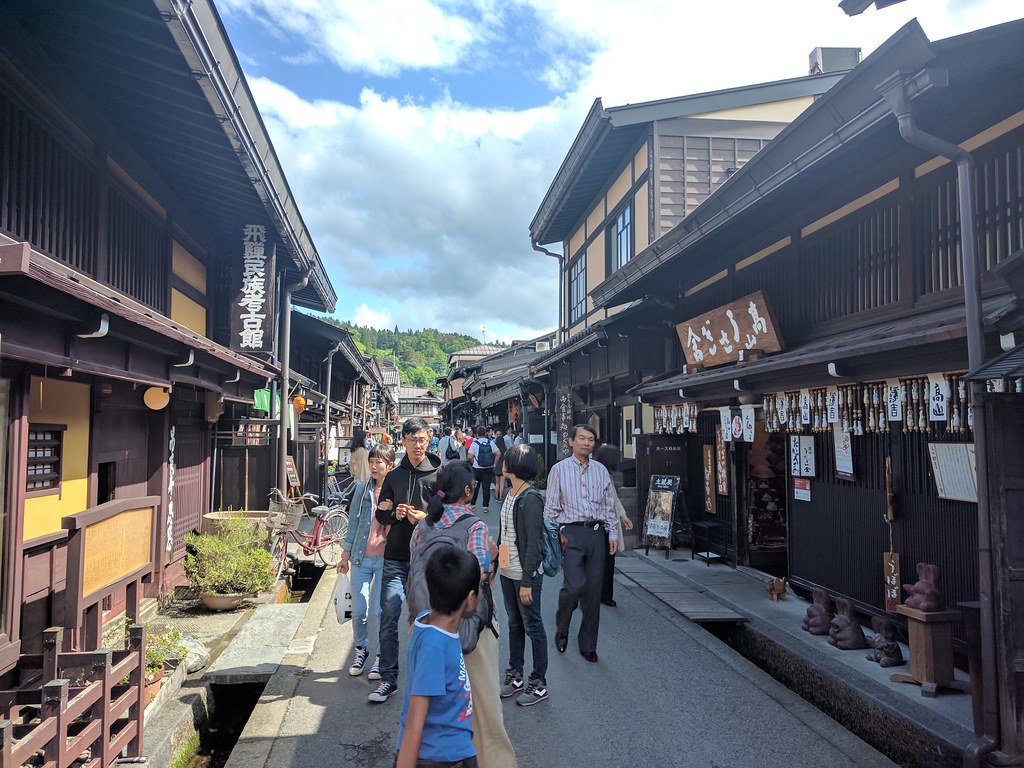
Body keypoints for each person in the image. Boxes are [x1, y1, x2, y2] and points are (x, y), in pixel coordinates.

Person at [409, 461, 517, 767]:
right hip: (470, 630)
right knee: (483, 705)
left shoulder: (423, 526)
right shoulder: (475, 527)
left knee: (432, 705)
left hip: (428, 625)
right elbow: (478, 577)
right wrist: (494, 560)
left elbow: (413, 570)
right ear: (468, 491)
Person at [369, 418, 441, 703]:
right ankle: (389, 678)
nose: (418, 445)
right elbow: (381, 514)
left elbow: (447, 512)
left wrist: (427, 517)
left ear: (429, 438)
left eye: (422, 439)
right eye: (412, 440)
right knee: (389, 615)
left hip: (426, 558)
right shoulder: (394, 476)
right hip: (396, 556)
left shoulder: (439, 475)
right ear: (403, 442)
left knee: (427, 619)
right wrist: (394, 515)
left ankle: (427, 681)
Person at [395, 546, 480, 768]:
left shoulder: (425, 619)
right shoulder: (435, 646)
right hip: (440, 758)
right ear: (470, 599)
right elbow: (415, 718)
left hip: (450, 751)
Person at [544, 424, 618, 663]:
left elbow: (608, 506)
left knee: (593, 592)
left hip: (596, 533)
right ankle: (562, 627)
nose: (587, 443)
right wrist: (556, 535)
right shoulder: (559, 470)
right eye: (582, 438)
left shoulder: (601, 471)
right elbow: (551, 509)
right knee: (573, 586)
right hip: (571, 534)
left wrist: (613, 534)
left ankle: (588, 644)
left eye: (591, 439)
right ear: (572, 441)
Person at [338, 443, 395, 678]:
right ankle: (361, 649)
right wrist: (345, 556)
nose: (373, 465)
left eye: (378, 461)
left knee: (382, 612)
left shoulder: (396, 491)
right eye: (372, 461)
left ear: (389, 465)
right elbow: (353, 523)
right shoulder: (362, 491)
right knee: (359, 609)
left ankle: (381, 656)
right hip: (361, 558)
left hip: (385, 559)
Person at [497, 444, 548, 706]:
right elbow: (504, 534)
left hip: (524, 574)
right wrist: (494, 567)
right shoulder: (510, 492)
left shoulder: (531, 498)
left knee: (533, 626)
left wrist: (527, 581)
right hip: (508, 571)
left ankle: (538, 682)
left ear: (515, 464)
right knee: (515, 623)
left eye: (507, 459)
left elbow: (533, 545)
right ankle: (515, 675)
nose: (503, 462)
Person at [591, 444, 635, 608]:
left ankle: (600, 594)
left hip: (603, 522)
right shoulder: (600, 474)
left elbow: (614, 498)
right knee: (606, 561)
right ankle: (603, 595)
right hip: (602, 523)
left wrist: (623, 515)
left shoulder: (600, 472)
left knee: (603, 561)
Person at [468, 427, 499, 512]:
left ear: (477, 434)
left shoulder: (475, 443)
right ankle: (485, 506)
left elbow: (469, 456)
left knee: (475, 487)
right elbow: (498, 453)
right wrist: (494, 464)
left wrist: (474, 461)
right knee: (486, 487)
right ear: (485, 433)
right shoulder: (490, 442)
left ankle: (472, 504)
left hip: (477, 468)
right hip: (488, 468)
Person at [492, 428, 507, 502]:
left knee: (497, 483)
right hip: (503, 467)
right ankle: (501, 497)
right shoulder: (505, 450)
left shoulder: (495, 449)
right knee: (502, 483)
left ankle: (496, 497)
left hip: (496, 466)